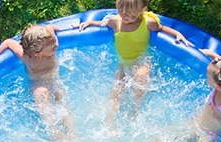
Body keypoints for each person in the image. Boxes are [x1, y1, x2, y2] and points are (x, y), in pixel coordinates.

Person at [75, 0, 192, 133]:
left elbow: (162, 29)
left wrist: (177, 34)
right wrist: (89, 23)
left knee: (141, 77)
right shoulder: (115, 21)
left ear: (141, 10)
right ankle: (110, 123)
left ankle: (135, 109)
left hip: (141, 61)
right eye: (120, 11)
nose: (124, 16)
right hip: (123, 64)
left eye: (130, 14)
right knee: (117, 90)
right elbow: (102, 24)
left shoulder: (148, 23)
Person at [0, 23, 76, 140]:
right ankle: (52, 129)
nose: (56, 47)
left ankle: (72, 131)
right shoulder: (27, 57)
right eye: (52, 47)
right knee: (40, 93)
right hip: (38, 84)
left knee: (60, 97)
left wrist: (57, 30)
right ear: (38, 53)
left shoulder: (51, 42)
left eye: (54, 43)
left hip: (53, 82)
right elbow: (8, 42)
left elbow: (50, 27)